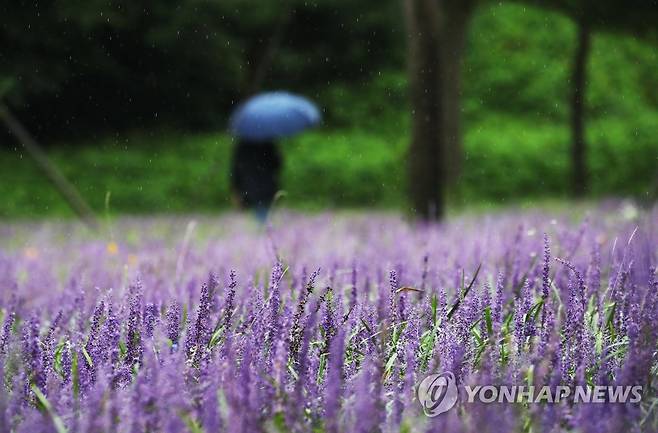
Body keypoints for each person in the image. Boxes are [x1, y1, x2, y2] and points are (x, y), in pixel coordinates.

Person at [230, 139, 282, 222]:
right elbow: (277, 164)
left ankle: (265, 230)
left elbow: (236, 170)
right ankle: (268, 230)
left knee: (260, 215)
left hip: (251, 188)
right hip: (268, 186)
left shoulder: (242, 146)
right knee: (267, 215)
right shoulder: (267, 143)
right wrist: (278, 152)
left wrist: (236, 189)